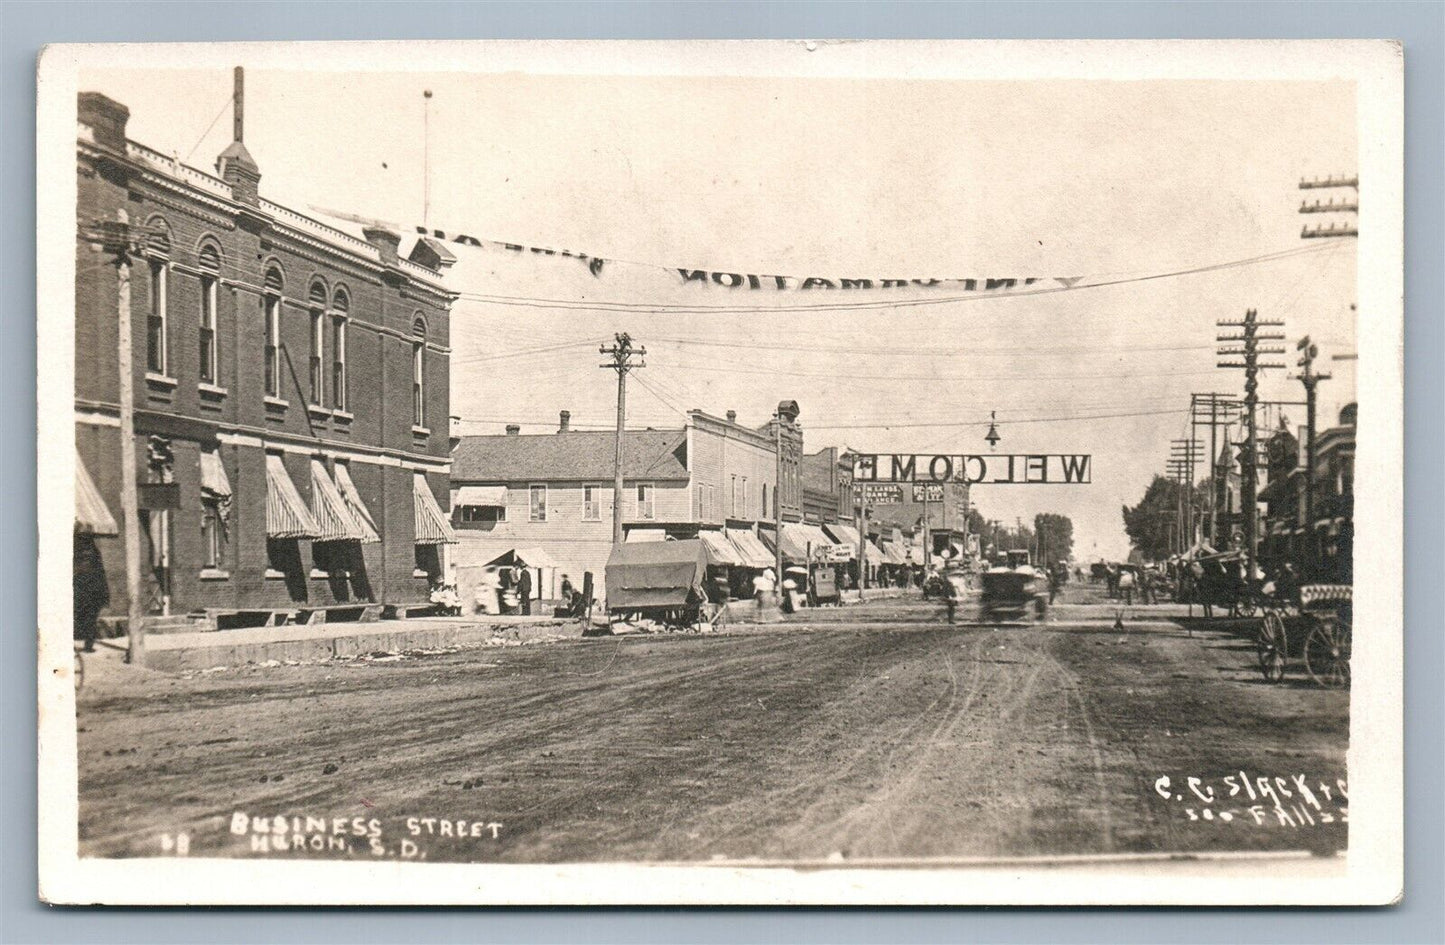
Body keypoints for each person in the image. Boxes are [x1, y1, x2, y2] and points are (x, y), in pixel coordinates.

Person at [73, 535, 109, 653]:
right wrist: (105, 596)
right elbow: (101, 574)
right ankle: (88, 646)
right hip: (93, 593)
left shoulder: (76, 554)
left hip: (82, 591)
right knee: (90, 620)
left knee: (78, 618)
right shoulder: (95, 555)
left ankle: (81, 644)